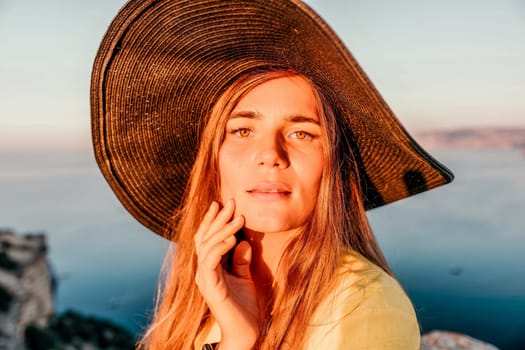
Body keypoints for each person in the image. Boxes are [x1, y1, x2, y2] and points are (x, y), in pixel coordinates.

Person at [90, 1, 453, 349]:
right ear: (212, 161)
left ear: (335, 167)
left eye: (303, 134)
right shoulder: (201, 295)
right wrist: (236, 340)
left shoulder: (363, 308)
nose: (269, 155)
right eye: (243, 130)